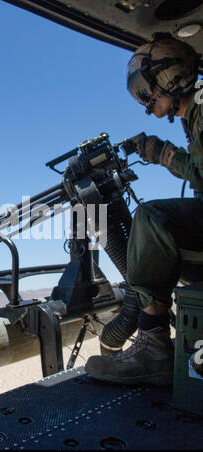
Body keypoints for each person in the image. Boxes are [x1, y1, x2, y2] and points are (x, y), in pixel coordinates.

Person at [85, 32, 203, 385]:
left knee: (152, 218)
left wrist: (158, 152)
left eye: (145, 89)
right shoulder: (193, 114)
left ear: (170, 78)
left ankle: (153, 350)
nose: (144, 100)